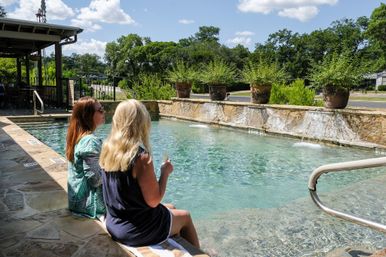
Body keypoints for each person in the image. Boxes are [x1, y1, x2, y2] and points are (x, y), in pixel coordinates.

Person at [99, 99, 200, 248]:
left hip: (115, 224)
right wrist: (165, 172)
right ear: (141, 123)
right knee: (185, 216)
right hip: (136, 231)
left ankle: (175, 239)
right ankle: (199, 252)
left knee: (171, 207)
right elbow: (153, 201)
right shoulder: (141, 157)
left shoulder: (107, 150)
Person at [65, 96, 106, 219]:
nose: (104, 112)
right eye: (100, 110)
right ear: (87, 115)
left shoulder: (76, 137)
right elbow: (95, 180)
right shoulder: (90, 141)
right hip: (90, 206)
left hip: (76, 202)